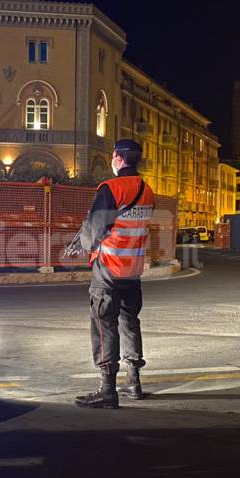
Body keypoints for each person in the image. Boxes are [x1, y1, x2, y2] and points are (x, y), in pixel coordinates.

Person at [64, 140, 155, 408]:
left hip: (109, 268)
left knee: (104, 324)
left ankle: (107, 389)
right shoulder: (147, 190)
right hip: (133, 269)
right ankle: (133, 381)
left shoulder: (111, 188)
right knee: (130, 322)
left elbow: (95, 228)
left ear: (117, 158)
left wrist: (82, 246)